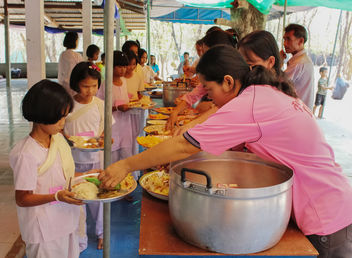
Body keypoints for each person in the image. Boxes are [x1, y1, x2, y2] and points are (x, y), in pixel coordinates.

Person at [99, 45, 352, 258]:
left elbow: (184, 144)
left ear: (228, 82)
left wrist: (125, 165)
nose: (208, 99)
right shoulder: (264, 94)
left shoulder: (250, 102)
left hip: (326, 219)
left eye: (209, 90)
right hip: (334, 206)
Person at [9, 79, 84, 258]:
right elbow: (22, 198)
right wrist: (56, 196)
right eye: (59, 117)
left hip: (65, 218)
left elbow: (61, 175)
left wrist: (87, 177)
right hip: (44, 229)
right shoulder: (26, 153)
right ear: (43, 115)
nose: (63, 122)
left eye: (65, 116)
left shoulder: (56, 140)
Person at [63, 62, 105, 251]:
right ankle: (80, 239)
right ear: (75, 84)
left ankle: (102, 233)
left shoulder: (100, 105)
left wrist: (104, 139)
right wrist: (67, 139)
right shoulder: (68, 104)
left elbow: (105, 131)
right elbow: (61, 129)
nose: (90, 91)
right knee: (77, 199)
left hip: (95, 158)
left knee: (98, 198)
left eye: (94, 86)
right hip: (72, 159)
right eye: (85, 86)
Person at [166, 29, 237, 130]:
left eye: (206, 54)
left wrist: (191, 125)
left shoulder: (234, 74)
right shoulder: (213, 71)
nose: (203, 58)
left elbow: (221, 108)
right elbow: (193, 96)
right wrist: (175, 112)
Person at [97, 51, 133, 164]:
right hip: (112, 126)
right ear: (111, 66)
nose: (123, 69)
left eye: (124, 66)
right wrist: (117, 108)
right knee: (112, 157)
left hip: (125, 125)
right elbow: (100, 108)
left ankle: (128, 181)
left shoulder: (124, 81)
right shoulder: (105, 84)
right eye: (119, 66)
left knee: (126, 154)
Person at [282, 24, 315, 109]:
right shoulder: (301, 60)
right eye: (284, 39)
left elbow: (278, 84)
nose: (285, 43)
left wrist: (278, 62)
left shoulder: (299, 63)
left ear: (300, 41)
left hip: (298, 111)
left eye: (288, 39)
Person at [58, 32, 83, 96]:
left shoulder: (62, 54)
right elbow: (82, 69)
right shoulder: (77, 55)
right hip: (73, 86)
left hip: (62, 85)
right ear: (75, 41)